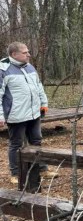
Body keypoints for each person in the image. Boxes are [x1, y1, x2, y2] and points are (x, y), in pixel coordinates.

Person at [0, 42, 58, 184]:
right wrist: (0, 115)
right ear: (14, 54)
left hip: (34, 113)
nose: (29, 55)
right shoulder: (3, 69)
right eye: (25, 53)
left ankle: (41, 169)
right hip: (16, 115)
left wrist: (43, 103)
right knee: (17, 144)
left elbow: (38, 86)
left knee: (36, 141)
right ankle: (16, 173)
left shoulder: (29, 67)